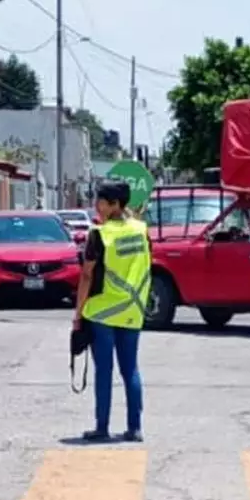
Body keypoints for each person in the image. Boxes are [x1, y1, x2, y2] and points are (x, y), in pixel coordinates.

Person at [75, 181, 151, 442]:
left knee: (104, 370)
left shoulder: (100, 234)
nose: (98, 205)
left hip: (102, 312)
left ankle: (102, 427)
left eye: (103, 201)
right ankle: (135, 427)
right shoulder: (141, 231)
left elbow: (86, 275)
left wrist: (78, 314)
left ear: (116, 204)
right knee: (130, 369)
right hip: (132, 309)